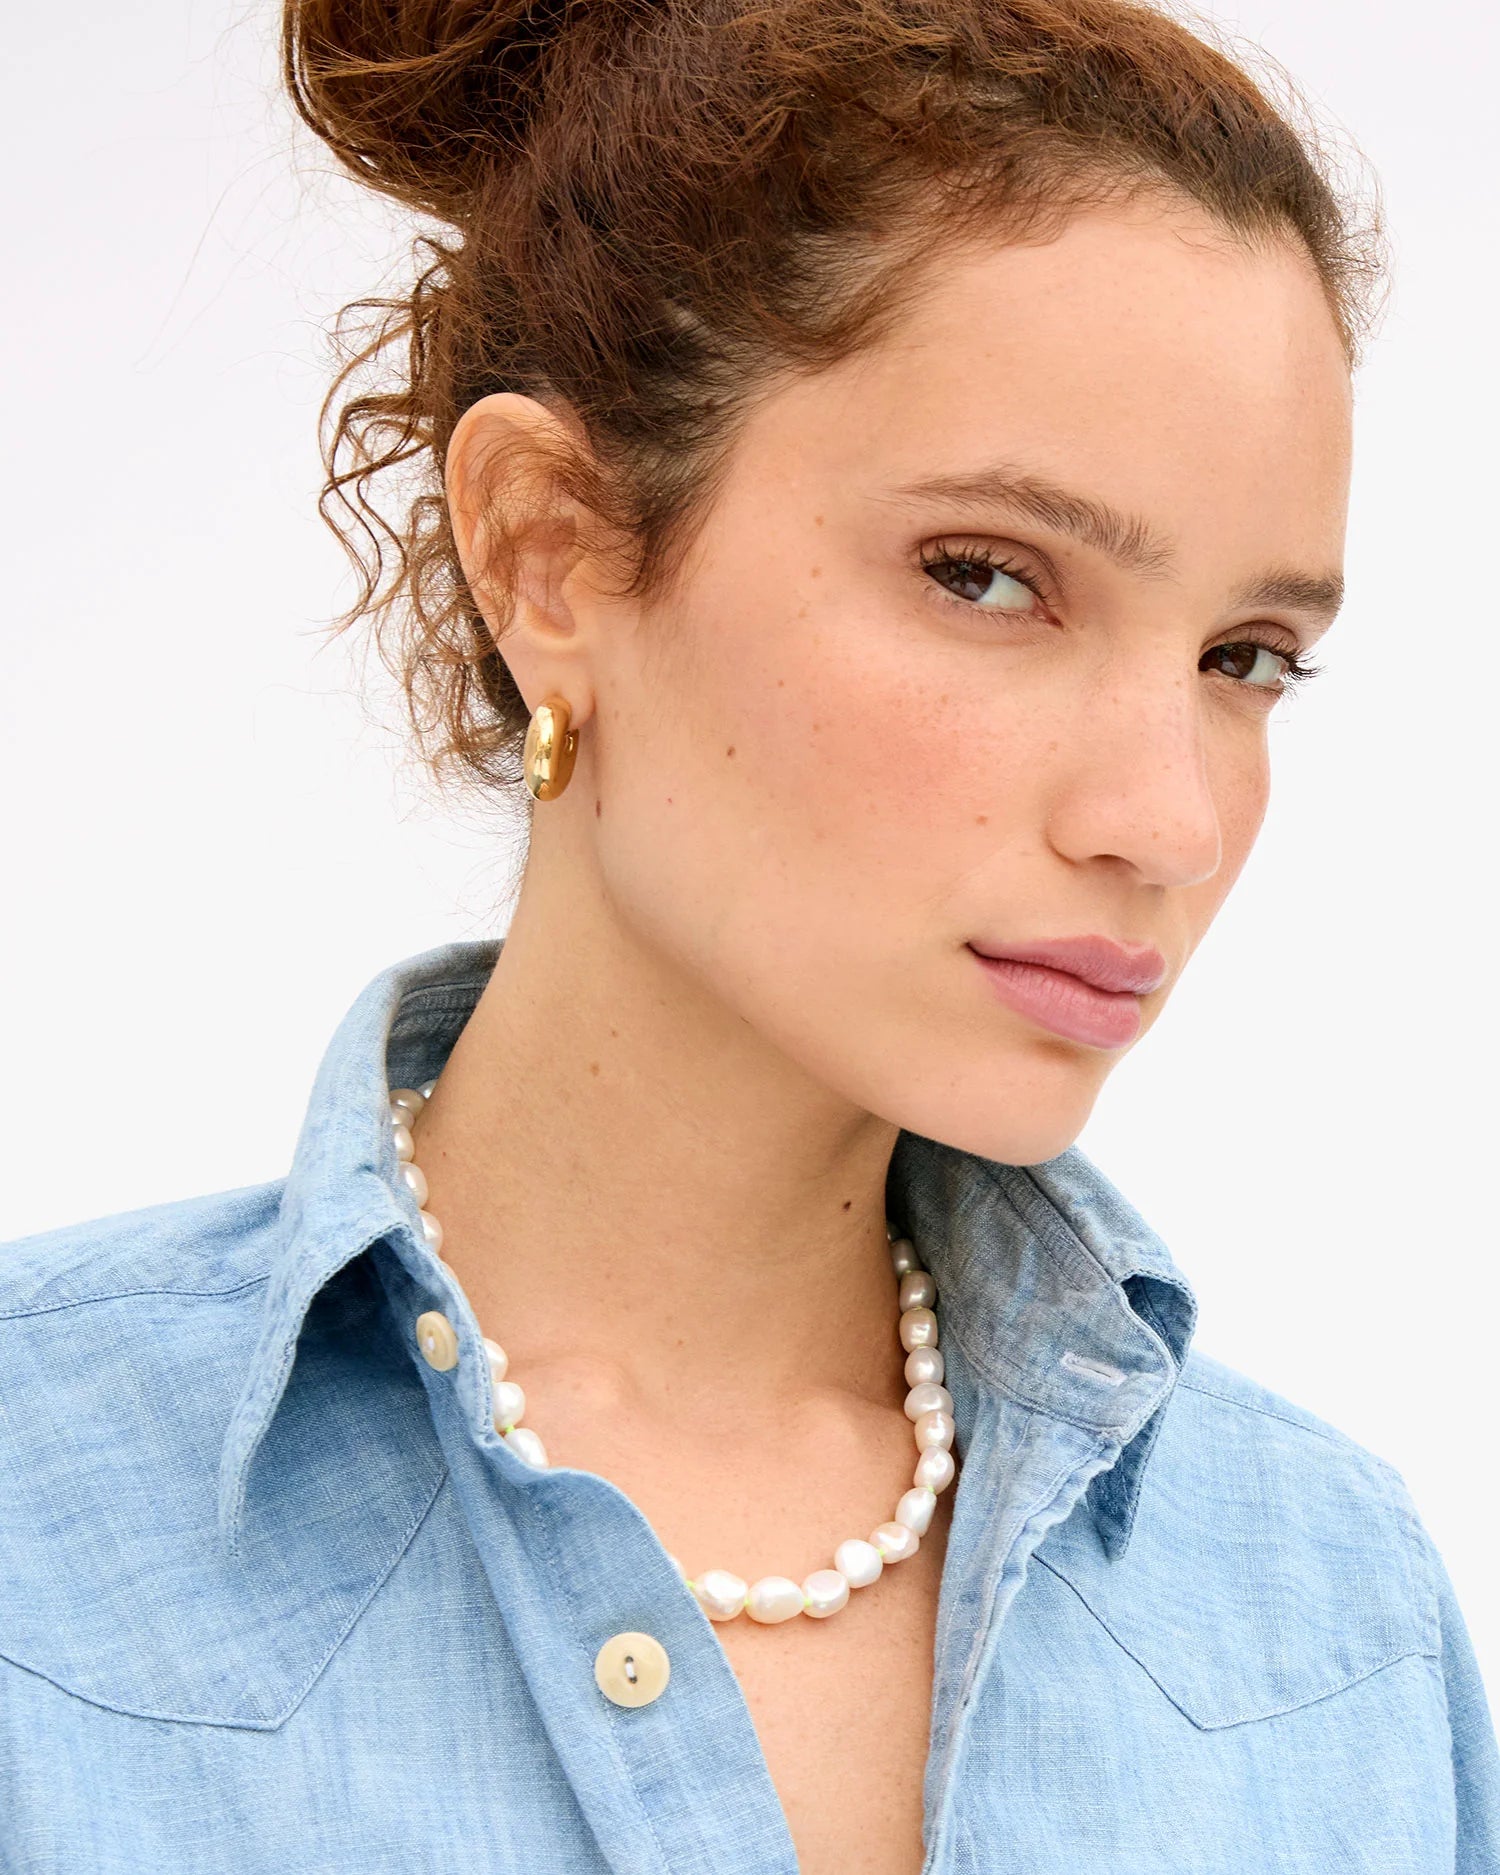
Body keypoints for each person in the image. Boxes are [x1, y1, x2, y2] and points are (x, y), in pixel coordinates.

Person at [2, 0, 1495, 1869]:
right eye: (988, 578)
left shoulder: (1333, 1628)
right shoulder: (32, 1538)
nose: (1167, 821)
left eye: (1244, 659)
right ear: (548, 552)